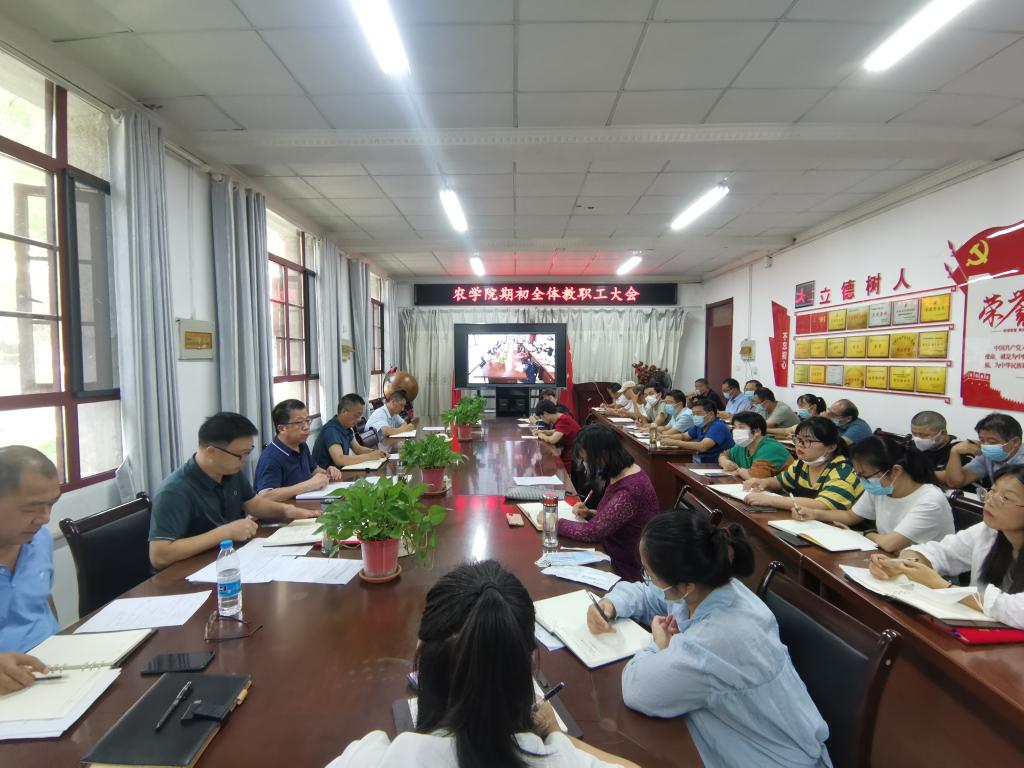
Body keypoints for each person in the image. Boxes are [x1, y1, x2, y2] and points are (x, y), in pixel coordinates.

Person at [327, 560, 638, 767]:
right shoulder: (561, 759)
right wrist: (561, 737)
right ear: (529, 663)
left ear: (421, 657)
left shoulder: (370, 759)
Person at [587, 510, 831, 767]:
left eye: (648, 573)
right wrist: (611, 604)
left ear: (686, 586)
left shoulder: (715, 640)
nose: (647, 578)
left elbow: (637, 689)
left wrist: (658, 646)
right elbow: (651, 596)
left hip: (771, 759)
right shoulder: (708, 585)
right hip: (753, 733)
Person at [148, 412, 319, 570]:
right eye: (240, 455)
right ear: (211, 452)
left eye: (248, 452)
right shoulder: (174, 491)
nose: (245, 460)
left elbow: (254, 504)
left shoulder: (229, 472)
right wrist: (225, 533)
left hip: (232, 559)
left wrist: (287, 510)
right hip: (188, 573)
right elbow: (159, 555)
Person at [869, 465, 1024, 629]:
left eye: (1006, 498)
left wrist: (942, 586)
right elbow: (940, 552)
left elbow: (1017, 610)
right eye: (992, 490)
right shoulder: (988, 531)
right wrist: (900, 564)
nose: (989, 500)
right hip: (976, 629)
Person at [791, 436, 953, 552]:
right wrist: (814, 514)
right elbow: (851, 516)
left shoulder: (930, 500)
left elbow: (890, 544)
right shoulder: (883, 486)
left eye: (865, 475)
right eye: (859, 475)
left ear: (896, 471)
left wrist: (866, 534)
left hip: (927, 573)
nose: (863, 481)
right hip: (888, 558)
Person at [557, 425, 658, 581]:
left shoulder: (630, 489)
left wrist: (554, 523)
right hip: (608, 551)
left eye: (586, 459)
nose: (583, 464)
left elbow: (592, 533)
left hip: (624, 566)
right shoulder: (620, 472)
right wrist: (590, 513)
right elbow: (617, 517)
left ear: (603, 455)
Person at [0, 447, 61, 693]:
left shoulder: (39, 539)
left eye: (51, 504)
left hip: (54, 669)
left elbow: (41, 600)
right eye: (32, 508)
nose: (45, 518)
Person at [742, 416, 862, 512]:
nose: (799, 445)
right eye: (798, 439)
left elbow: (822, 505)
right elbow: (779, 481)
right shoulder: (802, 464)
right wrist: (764, 482)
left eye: (807, 441)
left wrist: (770, 500)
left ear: (830, 447)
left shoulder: (842, 470)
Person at [255, 400, 342, 502]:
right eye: (299, 422)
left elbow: (314, 471)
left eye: (307, 420)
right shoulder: (271, 457)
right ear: (282, 429)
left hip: (304, 505)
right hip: (284, 510)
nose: (306, 427)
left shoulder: (301, 445)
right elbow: (265, 496)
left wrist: (328, 472)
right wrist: (308, 485)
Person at [944, 412, 1024, 490]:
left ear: (1015, 442)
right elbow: (955, 483)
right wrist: (954, 452)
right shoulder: (987, 456)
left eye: (992, 442)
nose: (985, 445)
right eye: (982, 440)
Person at [312, 395, 388, 469]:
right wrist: (370, 456)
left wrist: (376, 452)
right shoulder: (331, 430)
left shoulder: (346, 427)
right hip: (326, 475)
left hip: (340, 472)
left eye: (360, 416)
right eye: (357, 415)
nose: (359, 419)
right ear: (344, 411)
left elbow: (358, 449)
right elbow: (340, 459)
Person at [719, 412, 793, 480]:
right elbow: (723, 455)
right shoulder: (743, 445)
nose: (736, 431)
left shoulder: (770, 448)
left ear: (757, 431)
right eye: (734, 428)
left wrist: (738, 471)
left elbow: (756, 479)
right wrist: (724, 461)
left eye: (741, 427)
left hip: (785, 489)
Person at [661, 399, 734, 464]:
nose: (695, 416)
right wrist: (666, 437)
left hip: (715, 464)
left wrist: (674, 442)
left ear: (711, 414)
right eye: (693, 414)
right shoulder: (700, 425)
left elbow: (702, 446)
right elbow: (684, 436)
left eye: (698, 413)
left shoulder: (718, 426)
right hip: (701, 460)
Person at [909, 410, 959, 483]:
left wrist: (911, 474)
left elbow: (951, 477)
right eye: (914, 433)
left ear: (943, 433)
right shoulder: (910, 444)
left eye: (924, 435)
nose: (917, 439)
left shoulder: (957, 449)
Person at [532, 400, 581, 472]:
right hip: (570, 451)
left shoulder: (563, 420)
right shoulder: (562, 416)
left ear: (545, 413)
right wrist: (544, 432)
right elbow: (559, 430)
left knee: (557, 463)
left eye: (541, 417)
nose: (542, 420)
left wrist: (541, 435)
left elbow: (553, 440)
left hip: (575, 455)